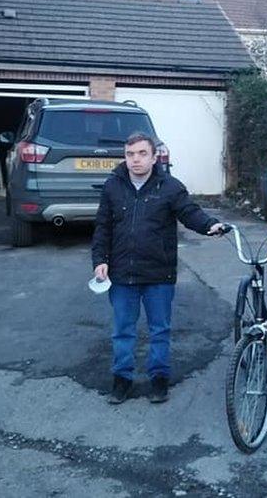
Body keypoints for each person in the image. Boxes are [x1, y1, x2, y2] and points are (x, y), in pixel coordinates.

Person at [92, 132, 225, 404]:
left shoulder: (170, 187)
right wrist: (100, 260)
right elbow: (102, 227)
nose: (135, 160)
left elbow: (190, 212)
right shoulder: (112, 186)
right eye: (130, 154)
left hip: (158, 275)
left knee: (160, 330)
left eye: (142, 154)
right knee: (123, 330)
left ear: (154, 157)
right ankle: (122, 380)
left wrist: (209, 224)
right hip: (122, 274)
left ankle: (159, 379)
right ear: (125, 157)